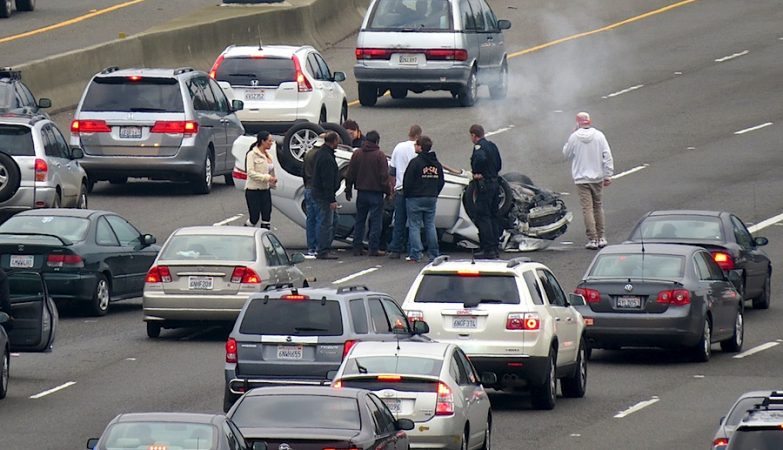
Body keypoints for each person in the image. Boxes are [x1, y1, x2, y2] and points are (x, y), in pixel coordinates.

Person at [562, 112, 614, 250]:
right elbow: (607, 155)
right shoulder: (599, 135)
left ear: (578, 123)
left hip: (581, 179)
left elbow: (566, 154)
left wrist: (569, 138)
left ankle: (593, 239)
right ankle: (602, 237)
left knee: (587, 209)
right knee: (598, 206)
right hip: (597, 177)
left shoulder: (574, 137)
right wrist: (608, 174)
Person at [345, 130, 391, 257]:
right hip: (376, 194)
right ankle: (373, 248)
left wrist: (348, 189)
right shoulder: (379, 155)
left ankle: (357, 247)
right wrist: (388, 192)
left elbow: (350, 174)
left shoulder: (357, 154)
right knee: (376, 221)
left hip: (361, 192)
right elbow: (383, 177)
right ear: (377, 141)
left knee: (360, 220)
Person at [404, 136, 445, 262]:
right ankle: (433, 253)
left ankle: (416, 253)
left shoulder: (415, 163)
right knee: (430, 225)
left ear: (420, 147)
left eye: (416, 145)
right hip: (431, 198)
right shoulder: (436, 164)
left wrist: (408, 194)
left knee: (414, 225)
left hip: (415, 198)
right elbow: (441, 181)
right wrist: (434, 193)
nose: (415, 147)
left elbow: (407, 181)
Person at [387, 124, 422, 259]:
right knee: (415, 223)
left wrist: (392, 188)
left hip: (401, 189)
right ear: (418, 135)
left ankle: (395, 249)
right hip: (416, 191)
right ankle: (412, 248)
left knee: (399, 221)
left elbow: (392, 171)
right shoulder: (419, 149)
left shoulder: (399, 147)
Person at [468, 124, 503, 258]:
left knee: (483, 216)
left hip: (485, 184)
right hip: (495, 182)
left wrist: (477, 171)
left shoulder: (479, 147)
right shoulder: (492, 145)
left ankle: (487, 249)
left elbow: (480, 158)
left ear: (473, 135)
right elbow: (499, 164)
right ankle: (495, 246)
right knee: (494, 215)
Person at [311, 131, 342, 260]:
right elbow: (327, 181)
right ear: (333, 141)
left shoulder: (321, 154)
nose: (339, 143)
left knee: (331, 221)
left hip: (319, 193)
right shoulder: (327, 159)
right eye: (338, 141)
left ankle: (323, 247)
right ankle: (323, 250)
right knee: (326, 223)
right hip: (324, 196)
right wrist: (331, 200)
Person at [244, 131, 277, 229]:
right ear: (262, 141)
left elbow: (271, 171)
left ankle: (265, 239)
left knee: (266, 216)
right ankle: (246, 231)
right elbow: (250, 173)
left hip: (265, 190)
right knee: (254, 217)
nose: (271, 143)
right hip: (253, 190)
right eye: (269, 141)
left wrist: (273, 181)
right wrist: (267, 178)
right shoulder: (252, 154)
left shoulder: (269, 156)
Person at [303, 133, 326, 257]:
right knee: (320, 219)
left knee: (310, 219)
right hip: (317, 189)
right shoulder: (320, 155)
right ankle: (318, 247)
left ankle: (311, 247)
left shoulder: (308, 153)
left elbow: (303, 172)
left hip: (307, 187)